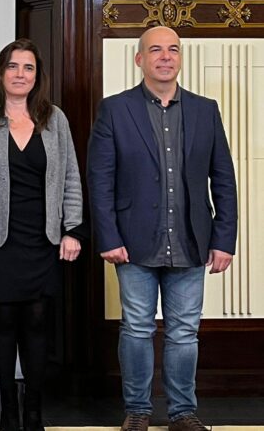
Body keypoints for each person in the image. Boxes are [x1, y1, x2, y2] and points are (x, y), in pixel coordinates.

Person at [87, 26, 238, 431]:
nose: (165, 56)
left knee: (184, 333)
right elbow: (100, 179)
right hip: (133, 243)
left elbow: (223, 178)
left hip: (191, 241)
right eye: (155, 50)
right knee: (136, 327)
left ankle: (182, 413)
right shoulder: (115, 110)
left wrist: (224, 239)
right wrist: (109, 237)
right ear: (140, 60)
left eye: (173, 49)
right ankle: (137, 411)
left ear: (180, 58)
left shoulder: (206, 110)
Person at [0, 38, 84, 431]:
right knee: (6, 321)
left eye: (28, 68)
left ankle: (34, 411)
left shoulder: (55, 119)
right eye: (13, 66)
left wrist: (72, 230)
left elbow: (71, 180)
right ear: (0, 72)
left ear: (37, 76)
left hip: (43, 239)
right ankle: (8, 409)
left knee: (38, 321)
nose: (20, 74)